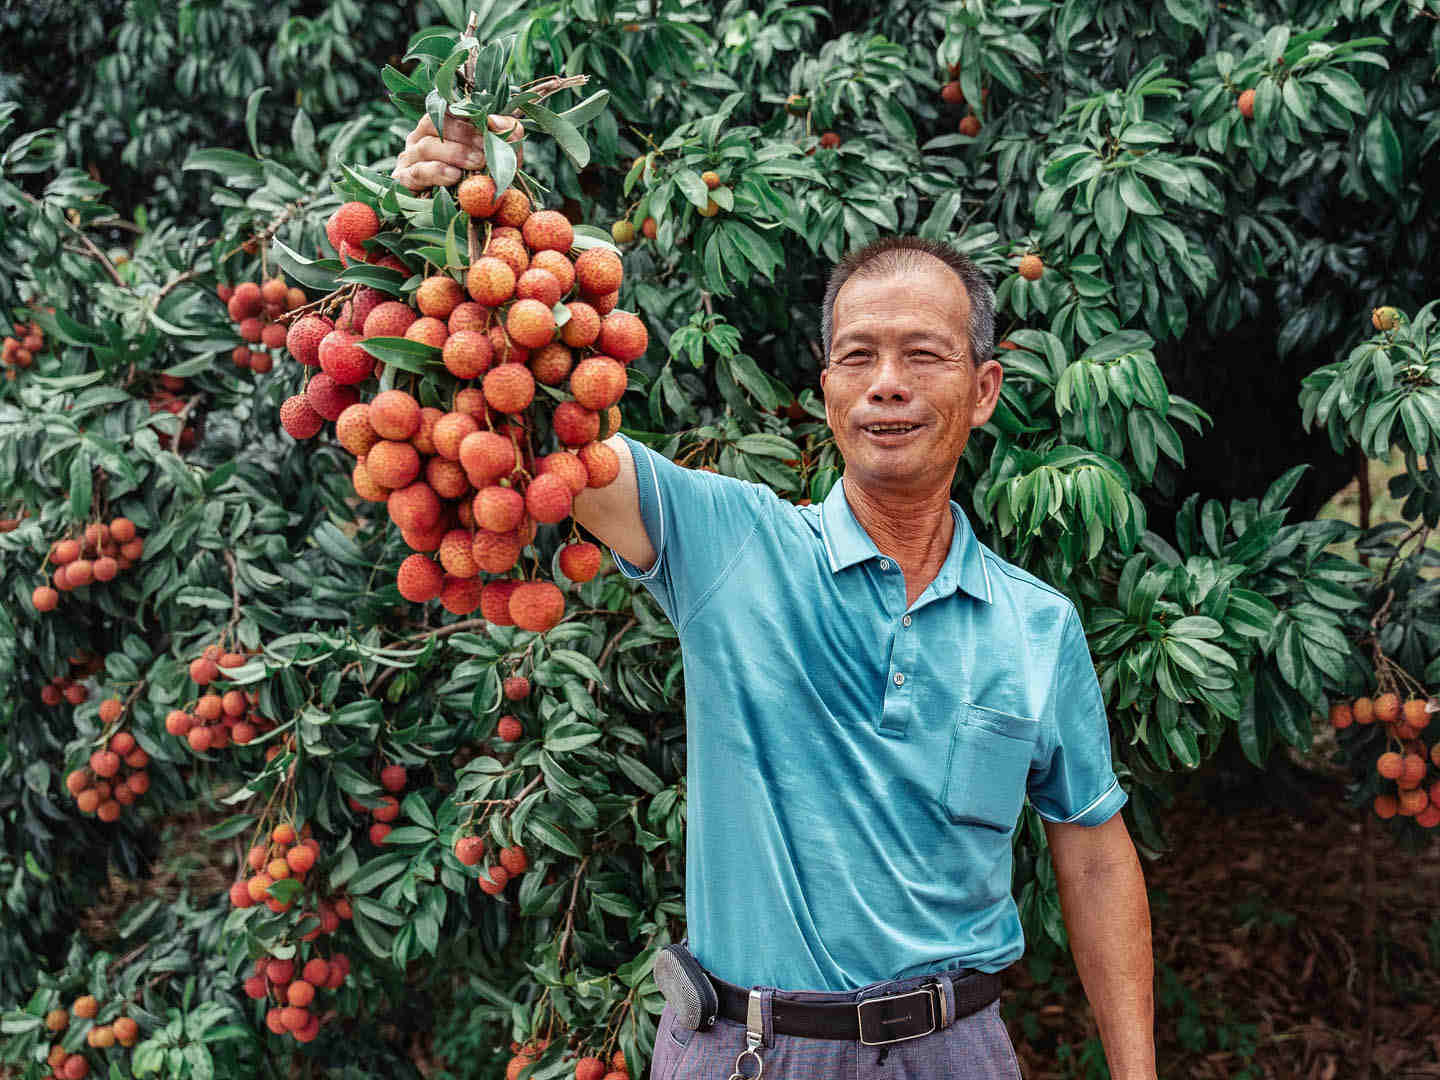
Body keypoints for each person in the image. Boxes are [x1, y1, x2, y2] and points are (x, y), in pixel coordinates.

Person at [396, 116, 1156, 1079]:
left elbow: (1091, 852)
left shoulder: (1036, 625)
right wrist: (460, 214)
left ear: (987, 388)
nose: (888, 385)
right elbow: (540, 434)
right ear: (826, 389)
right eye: (857, 357)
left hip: (953, 1052)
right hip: (746, 1053)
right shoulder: (732, 543)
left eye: (924, 356)